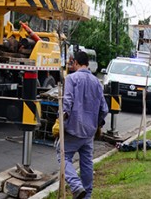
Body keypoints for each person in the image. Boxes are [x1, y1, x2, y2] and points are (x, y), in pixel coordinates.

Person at [60, 50, 108, 199]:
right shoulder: (97, 82)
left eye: (71, 63)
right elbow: (104, 109)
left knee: (62, 156)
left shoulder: (71, 79)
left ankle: (75, 186)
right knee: (87, 164)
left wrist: (61, 121)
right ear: (87, 64)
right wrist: (97, 124)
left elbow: (66, 102)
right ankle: (86, 196)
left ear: (75, 63)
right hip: (89, 131)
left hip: (73, 129)